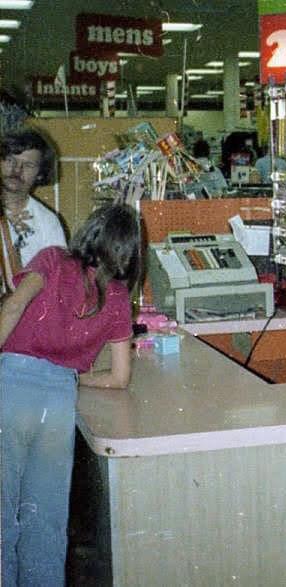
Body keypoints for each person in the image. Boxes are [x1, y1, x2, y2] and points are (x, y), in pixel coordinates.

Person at [0, 203, 141, 586]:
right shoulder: (117, 299)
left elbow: (13, 305)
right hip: (57, 403)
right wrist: (73, 379)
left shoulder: (51, 259)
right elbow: (119, 377)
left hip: (10, 388)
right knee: (46, 517)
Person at [0, 129, 67, 296]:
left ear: (39, 174)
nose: (17, 170)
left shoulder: (47, 222)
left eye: (28, 165)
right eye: (10, 160)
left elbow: (59, 281)